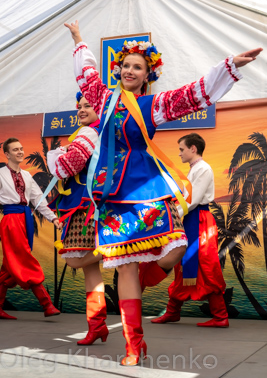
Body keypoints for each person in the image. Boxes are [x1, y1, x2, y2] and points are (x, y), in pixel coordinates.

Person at [65, 19, 262, 366]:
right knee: (124, 269)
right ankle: (133, 344)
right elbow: (86, 75)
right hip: (112, 193)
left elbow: (193, 94)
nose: (129, 70)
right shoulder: (104, 98)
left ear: (146, 75)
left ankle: (162, 283)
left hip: (145, 188)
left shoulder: (152, 105)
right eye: (125, 65)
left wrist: (229, 66)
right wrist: (79, 37)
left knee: (172, 253)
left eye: (137, 67)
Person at [47, 92, 109, 345]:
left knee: (74, 260)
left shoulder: (89, 133)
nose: (81, 110)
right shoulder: (94, 133)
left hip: (86, 205)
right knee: (88, 268)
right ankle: (97, 326)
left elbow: (64, 167)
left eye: (87, 106)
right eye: (79, 106)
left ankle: (115, 249)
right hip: (84, 203)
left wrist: (55, 156)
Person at [151, 133, 229, 327]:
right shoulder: (196, 168)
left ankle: (220, 317)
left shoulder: (202, 168)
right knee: (183, 265)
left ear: (193, 148)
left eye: (181, 149)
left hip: (199, 220)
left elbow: (192, 201)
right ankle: (173, 312)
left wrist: (172, 214)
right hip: (192, 219)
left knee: (206, 264)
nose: (179, 154)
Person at [0, 138, 62, 319]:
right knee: (24, 258)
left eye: (21, 148)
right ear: (6, 154)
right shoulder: (1, 174)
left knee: (9, 266)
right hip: (10, 220)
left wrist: (54, 218)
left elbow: (39, 201)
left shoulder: (27, 175)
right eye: (15, 149)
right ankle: (47, 304)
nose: (20, 152)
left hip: (24, 219)